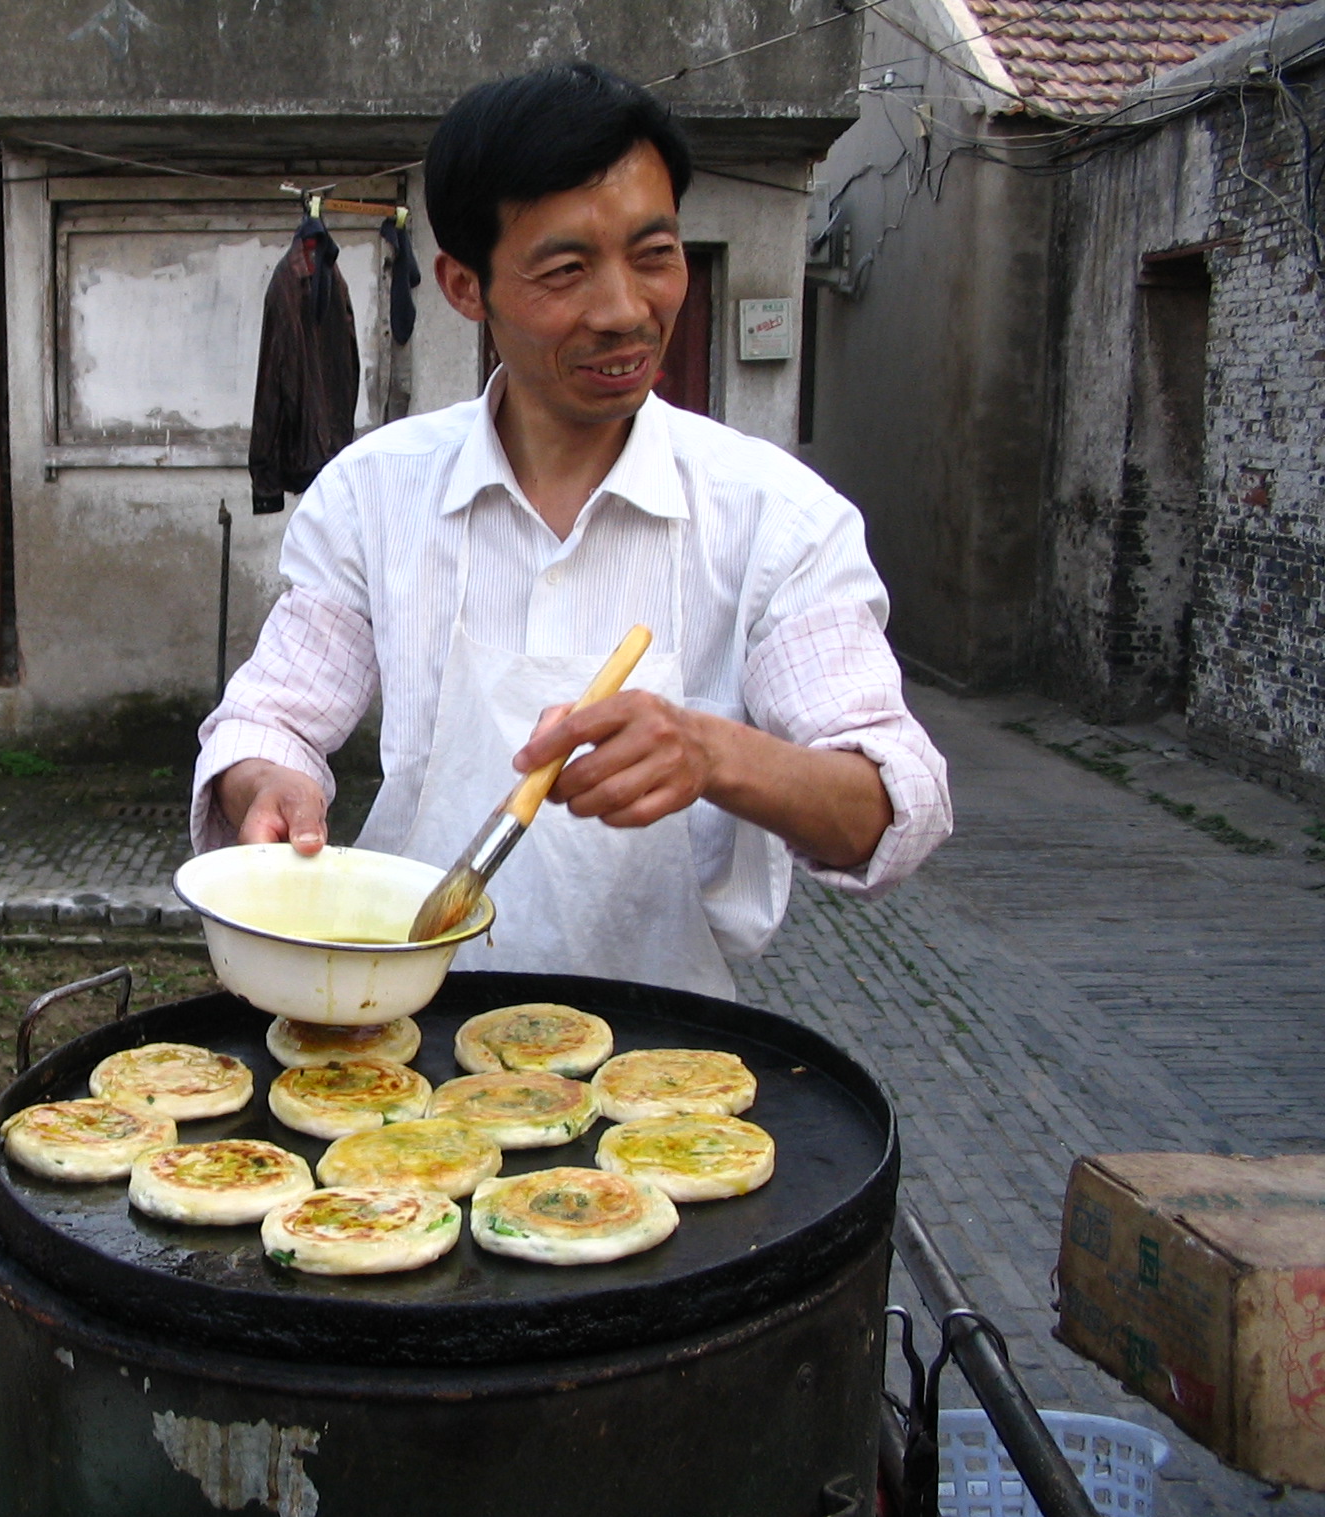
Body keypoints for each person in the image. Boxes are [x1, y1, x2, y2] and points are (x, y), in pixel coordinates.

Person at [191, 63, 953, 997]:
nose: (626, 310)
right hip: (400, 1034)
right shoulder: (373, 496)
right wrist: (267, 784)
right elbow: (270, 715)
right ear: (467, 287)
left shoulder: (773, 517)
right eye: (565, 270)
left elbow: (893, 806)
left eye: (655, 253)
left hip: (666, 1066)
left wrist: (715, 753)